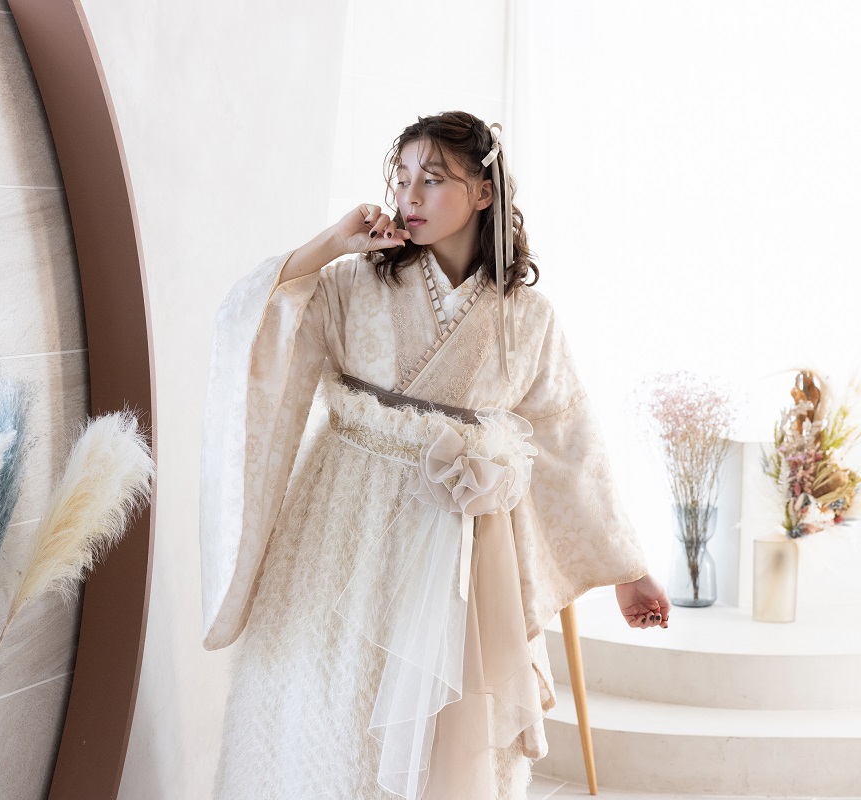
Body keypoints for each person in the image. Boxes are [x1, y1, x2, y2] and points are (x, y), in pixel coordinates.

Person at [199, 111, 671, 800]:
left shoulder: (527, 316)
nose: (409, 196)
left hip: (463, 550)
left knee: (446, 731)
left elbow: (569, 443)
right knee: (330, 703)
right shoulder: (351, 282)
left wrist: (628, 570)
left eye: (433, 179)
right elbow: (252, 318)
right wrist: (330, 243)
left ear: (483, 192)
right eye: (400, 179)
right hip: (343, 526)